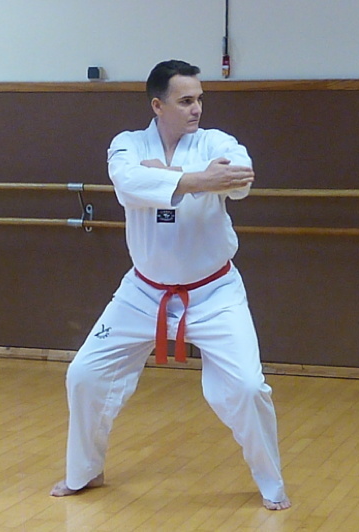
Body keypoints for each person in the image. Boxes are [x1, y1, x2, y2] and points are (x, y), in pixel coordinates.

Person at [50, 59, 291, 511]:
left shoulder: (215, 141)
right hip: (142, 292)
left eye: (199, 99)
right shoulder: (127, 144)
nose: (196, 108)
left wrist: (165, 178)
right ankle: (84, 471)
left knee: (247, 388)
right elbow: (128, 184)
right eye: (185, 101)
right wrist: (200, 180)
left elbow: (240, 178)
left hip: (215, 293)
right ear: (158, 106)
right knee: (84, 375)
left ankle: (271, 483)